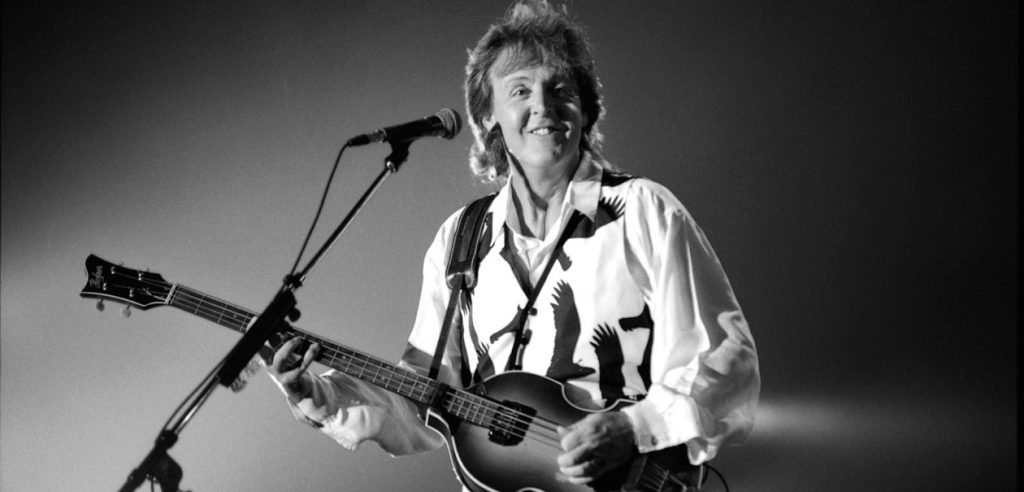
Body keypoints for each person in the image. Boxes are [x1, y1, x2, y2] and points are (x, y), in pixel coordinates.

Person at [268, 0, 759, 488]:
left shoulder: (643, 210)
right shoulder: (459, 239)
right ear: (487, 118)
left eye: (560, 89)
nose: (543, 106)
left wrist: (634, 429)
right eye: (520, 90)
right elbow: (422, 409)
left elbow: (726, 360)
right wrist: (322, 396)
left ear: (585, 110)